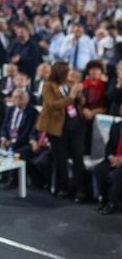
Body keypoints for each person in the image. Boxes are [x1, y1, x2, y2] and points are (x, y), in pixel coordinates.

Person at [36, 61, 87, 201]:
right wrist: (71, 97)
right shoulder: (48, 86)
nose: (69, 74)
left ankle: (80, 189)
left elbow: (81, 102)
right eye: (66, 72)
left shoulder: (70, 83)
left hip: (76, 126)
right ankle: (63, 188)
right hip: (57, 128)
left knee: (78, 157)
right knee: (61, 159)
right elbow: (53, 105)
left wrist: (79, 96)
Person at [93, 119, 122, 214]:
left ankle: (112, 203)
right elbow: (109, 146)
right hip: (114, 159)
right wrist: (111, 158)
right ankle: (104, 200)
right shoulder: (116, 127)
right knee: (99, 169)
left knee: (117, 174)